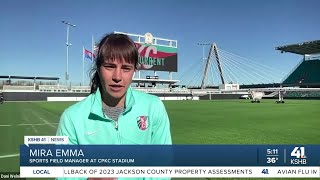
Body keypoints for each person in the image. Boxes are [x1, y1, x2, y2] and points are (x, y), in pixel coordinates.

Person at [56, 33, 172, 180]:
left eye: (126, 68)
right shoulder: (72, 117)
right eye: (109, 66)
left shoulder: (153, 107)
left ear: (134, 71)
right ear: (98, 68)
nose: (117, 76)